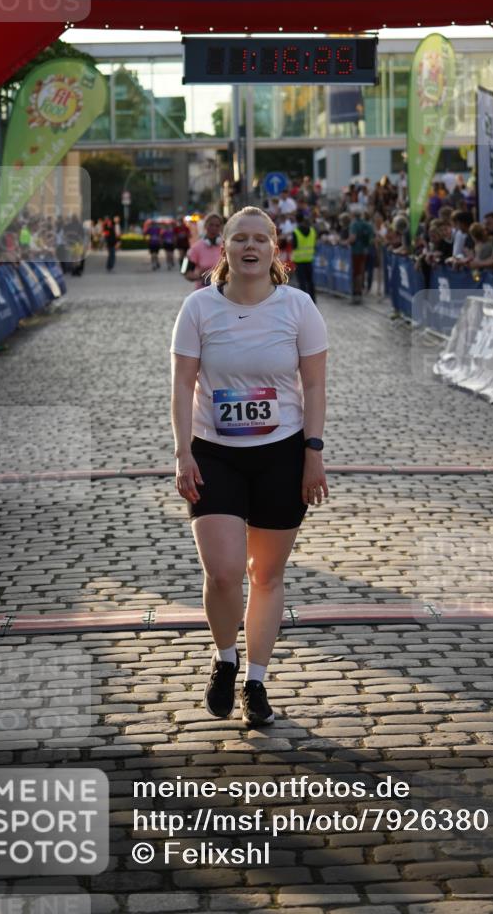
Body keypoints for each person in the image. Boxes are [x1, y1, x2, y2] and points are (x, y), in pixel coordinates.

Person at [170, 206, 328, 727]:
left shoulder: (298, 307)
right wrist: (183, 451)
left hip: (281, 452)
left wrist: (313, 452)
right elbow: (182, 385)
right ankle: (224, 659)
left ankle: (256, 681)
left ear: (275, 248)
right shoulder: (198, 307)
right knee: (223, 573)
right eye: (241, 238)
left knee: (266, 575)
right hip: (214, 452)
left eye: (261, 238)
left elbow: (315, 386)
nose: (251, 246)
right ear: (225, 247)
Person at [183, 212, 223, 289]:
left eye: (217, 225)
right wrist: (200, 277)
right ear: (205, 226)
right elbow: (185, 271)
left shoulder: (227, 246)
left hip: (223, 292)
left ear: (221, 227)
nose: (214, 228)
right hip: (203, 290)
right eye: (211, 225)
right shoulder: (195, 247)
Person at [348, 207, 374, 303]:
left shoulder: (354, 224)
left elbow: (353, 238)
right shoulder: (367, 224)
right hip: (364, 251)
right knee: (361, 271)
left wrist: (345, 242)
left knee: (356, 272)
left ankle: (356, 292)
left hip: (356, 251)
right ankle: (360, 291)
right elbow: (371, 237)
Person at [291, 209, 317, 302]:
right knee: (310, 281)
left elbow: (294, 246)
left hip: (299, 261)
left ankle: (304, 301)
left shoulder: (296, 232)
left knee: (302, 282)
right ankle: (313, 299)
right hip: (309, 259)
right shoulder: (312, 231)